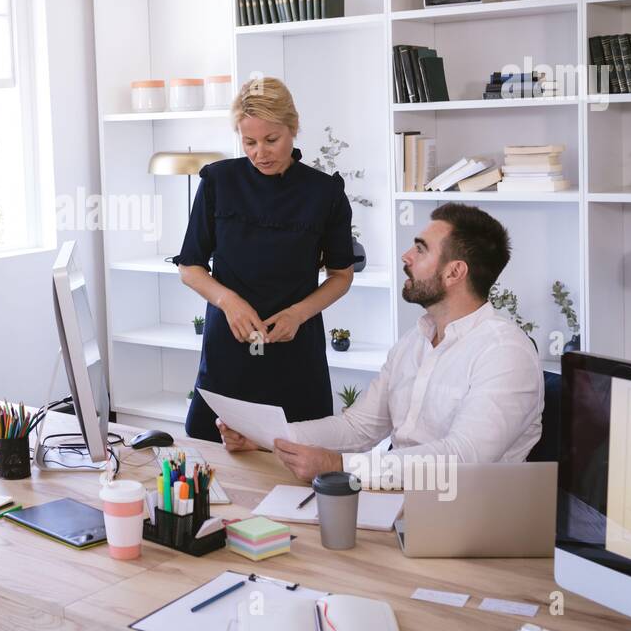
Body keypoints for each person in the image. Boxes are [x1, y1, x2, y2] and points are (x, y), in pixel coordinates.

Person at [218, 203, 543, 482]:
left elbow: (462, 458)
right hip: (399, 503)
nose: (407, 256)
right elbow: (359, 428)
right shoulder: (414, 341)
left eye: (421, 249)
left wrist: (341, 466)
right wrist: (268, 439)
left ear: (454, 272)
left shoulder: (505, 353)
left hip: (468, 520)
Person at [174, 76, 355, 443]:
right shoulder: (218, 182)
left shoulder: (325, 194)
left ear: (293, 128)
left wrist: (298, 314)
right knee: (214, 455)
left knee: (299, 461)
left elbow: (341, 275)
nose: (260, 152)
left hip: (296, 352)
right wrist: (229, 302)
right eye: (249, 142)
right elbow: (190, 268)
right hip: (229, 348)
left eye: (272, 140)